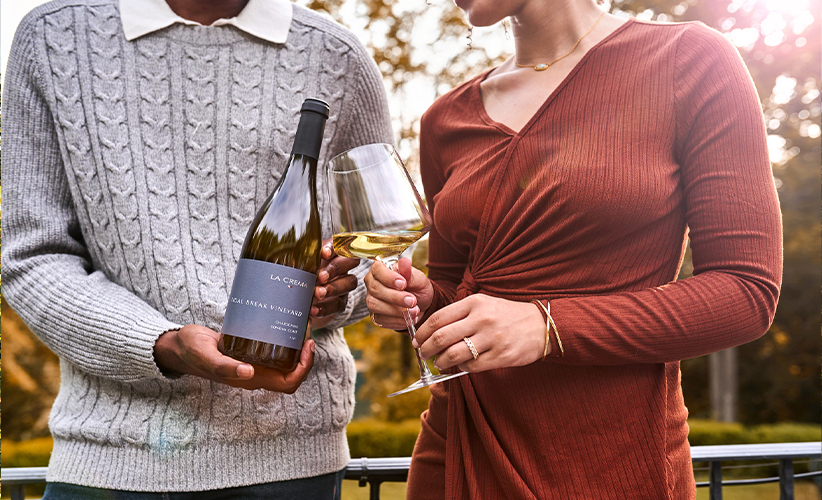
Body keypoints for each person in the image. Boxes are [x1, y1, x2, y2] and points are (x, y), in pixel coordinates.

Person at [363, 0, 782, 497]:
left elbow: (745, 293)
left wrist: (548, 327)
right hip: (461, 446)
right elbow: (457, 294)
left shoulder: (688, 60)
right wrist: (420, 299)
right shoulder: (444, 119)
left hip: (613, 458)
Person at [1, 0, 393, 497]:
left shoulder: (336, 55)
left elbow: (374, 253)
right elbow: (33, 259)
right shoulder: (53, 37)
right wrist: (160, 343)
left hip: (289, 466)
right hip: (108, 465)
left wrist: (341, 292)